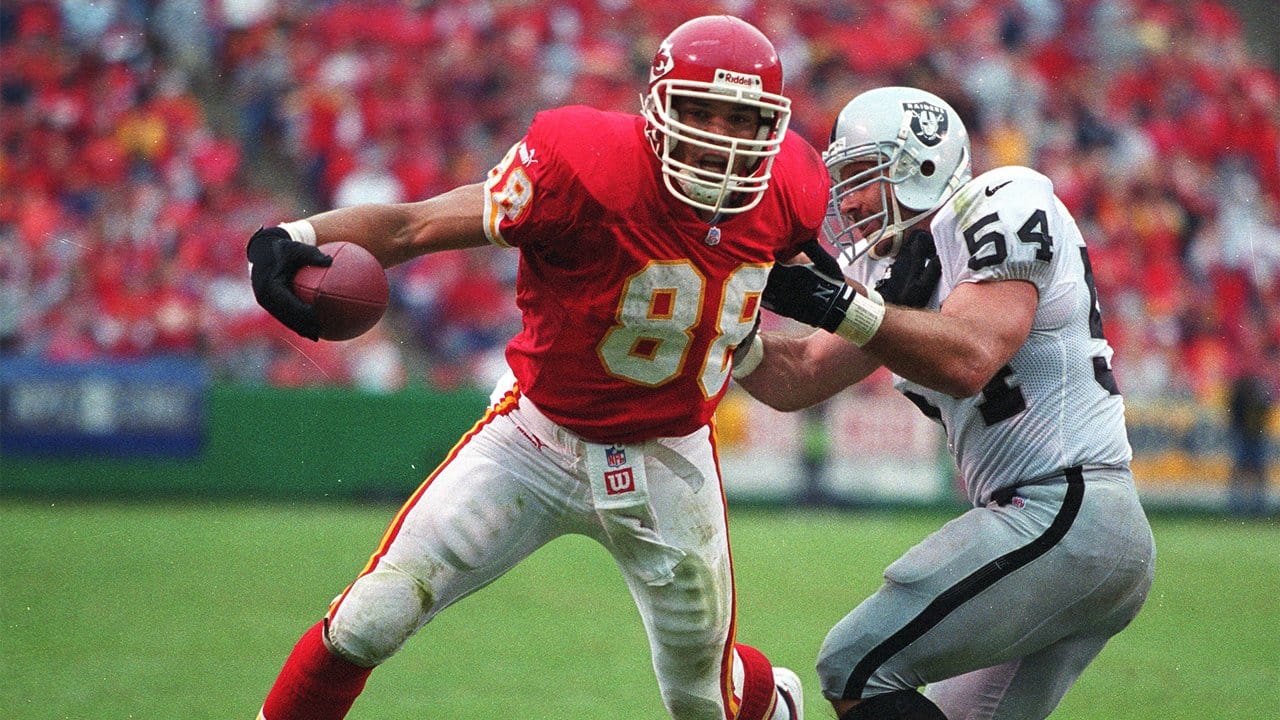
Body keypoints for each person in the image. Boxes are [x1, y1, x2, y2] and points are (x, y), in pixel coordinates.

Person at [245, 15, 829, 720]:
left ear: (770, 126)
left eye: (737, 118)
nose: (713, 137)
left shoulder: (794, 184)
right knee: (372, 616)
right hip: (535, 438)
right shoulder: (583, 163)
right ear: (657, 109)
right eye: (697, 111)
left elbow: (802, 276)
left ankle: (775, 704)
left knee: (702, 704)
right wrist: (296, 236)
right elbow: (414, 225)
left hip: (669, 456)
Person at [733, 86, 1156, 719]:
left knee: (855, 666)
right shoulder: (897, 275)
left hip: (1064, 511)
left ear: (919, 167)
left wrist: (836, 303)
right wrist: (721, 329)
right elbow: (799, 377)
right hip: (1059, 528)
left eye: (860, 177)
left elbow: (969, 356)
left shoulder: (1002, 199)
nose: (846, 200)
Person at [1226, 367, 1273, 517]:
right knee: (1251, 471)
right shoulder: (1254, 388)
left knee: (1248, 471)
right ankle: (1250, 507)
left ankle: (1243, 507)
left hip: (1252, 435)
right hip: (1249, 434)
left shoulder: (1246, 388)